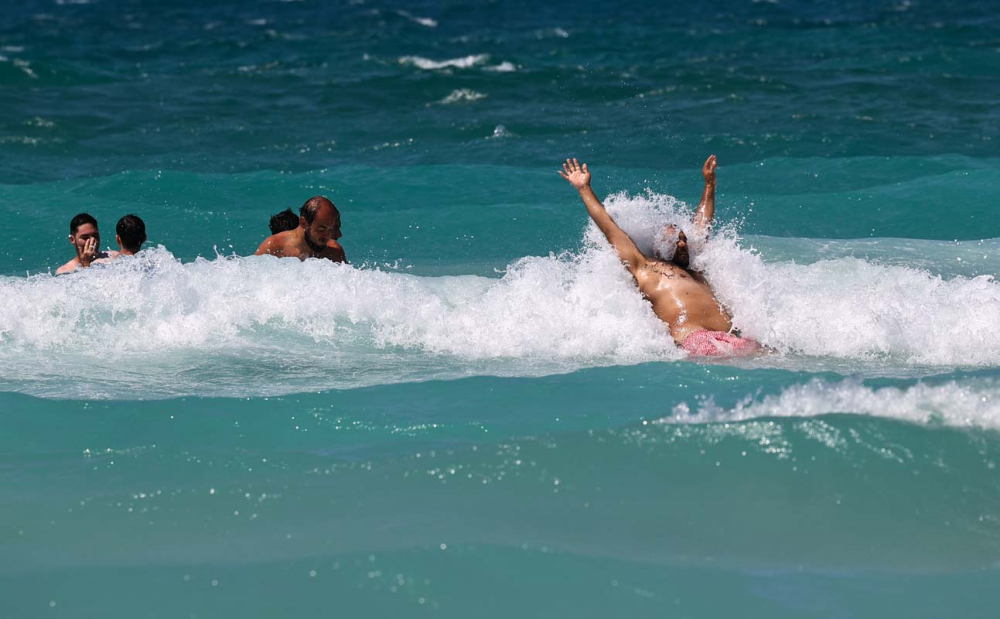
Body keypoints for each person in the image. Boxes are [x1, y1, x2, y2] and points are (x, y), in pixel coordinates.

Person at [559, 156, 760, 357]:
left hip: (733, 338)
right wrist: (584, 189)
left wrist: (709, 184)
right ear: (659, 246)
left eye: (683, 238)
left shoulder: (694, 267)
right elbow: (610, 229)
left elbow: (702, 224)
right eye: (675, 240)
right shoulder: (645, 267)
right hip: (696, 339)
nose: (682, 243)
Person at [255, 196, 346, 262]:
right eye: (321, 229)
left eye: (330, 229)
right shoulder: (273, 247)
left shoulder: (334, 252)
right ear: (303, 223)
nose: (327, 235)